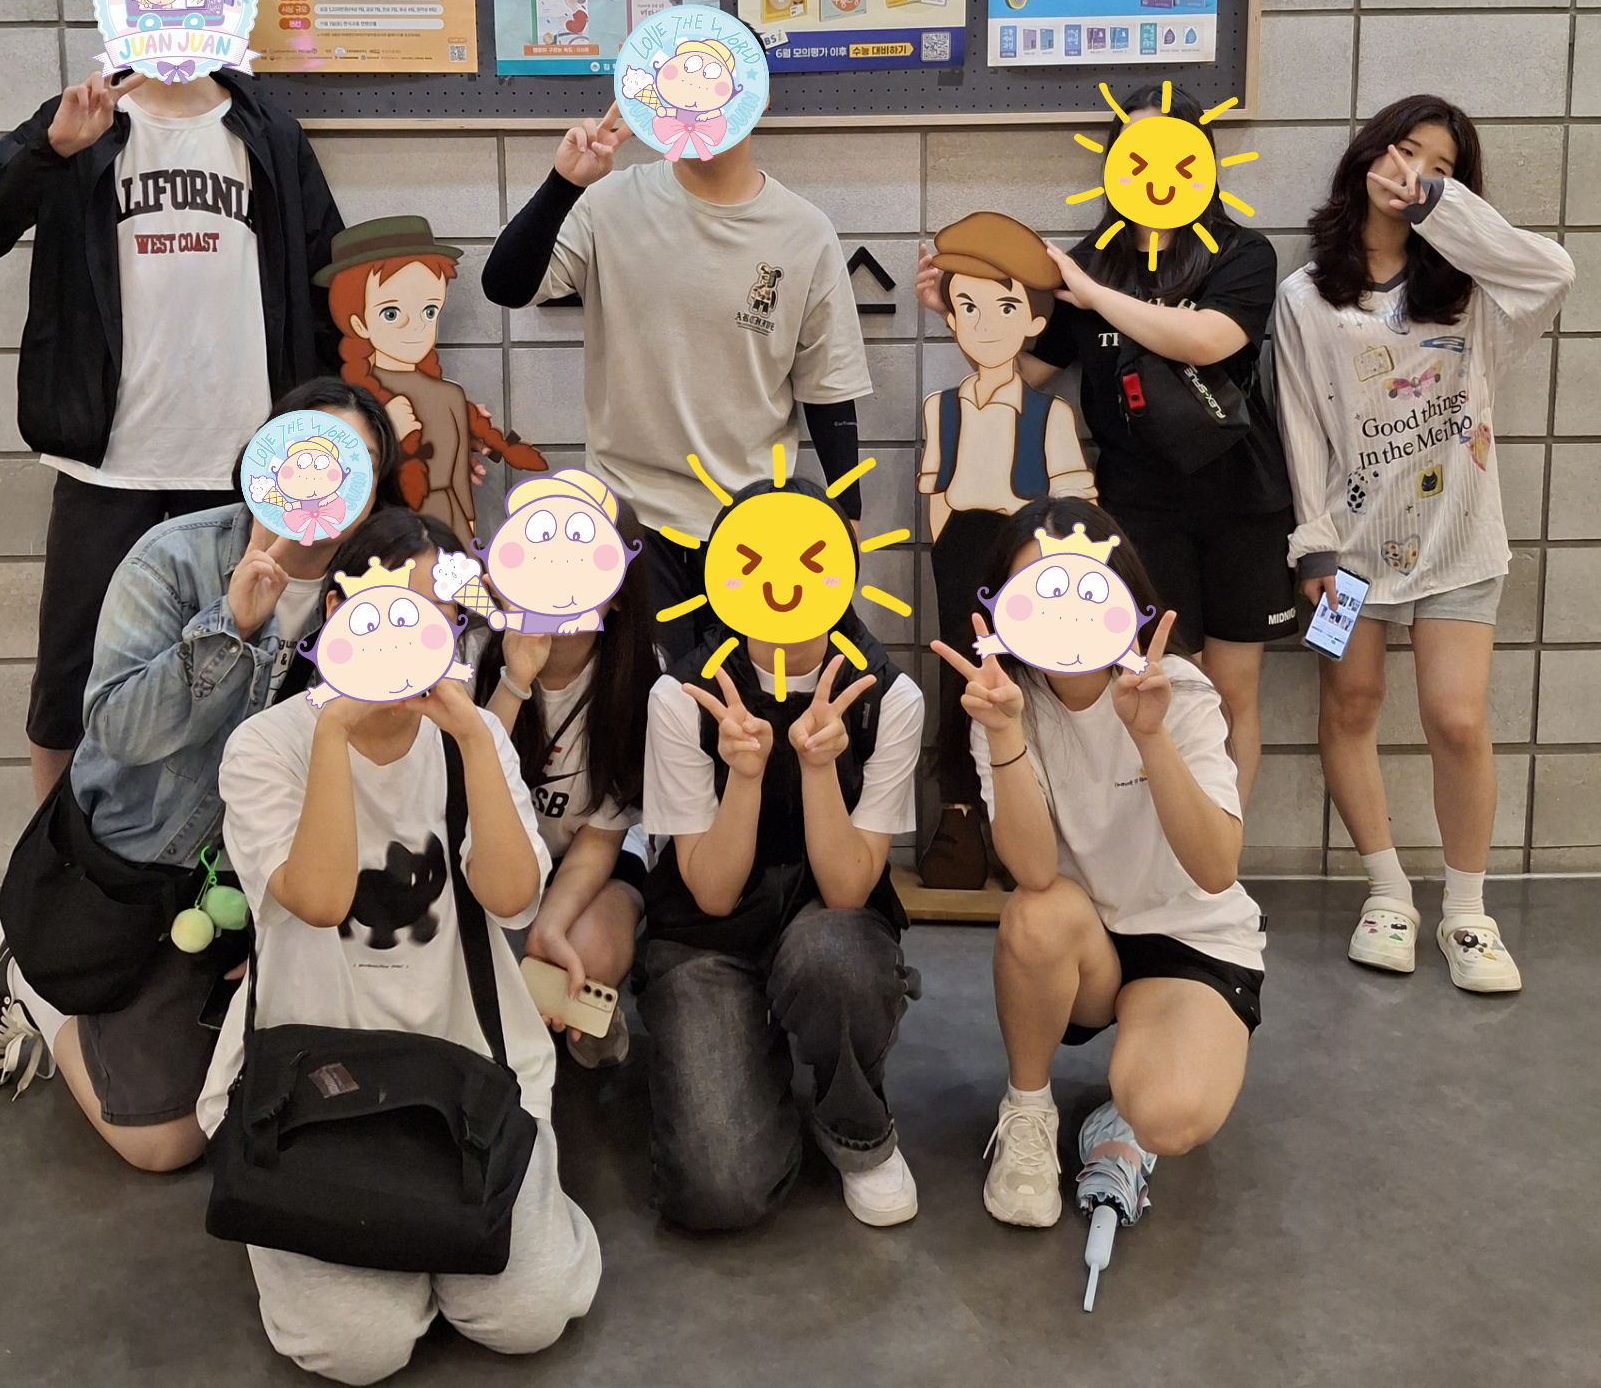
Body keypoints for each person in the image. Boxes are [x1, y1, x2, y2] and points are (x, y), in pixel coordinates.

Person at [0, 0, 345, 800]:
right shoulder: (84, 120)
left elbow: (327, 287)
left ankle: (216, 856)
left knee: (236, 668)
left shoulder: (267, 133)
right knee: (68, 682)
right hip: (106, 460)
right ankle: (47, 862)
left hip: (241, 463)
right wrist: (47, 149)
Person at [0, 382, 397, 1173]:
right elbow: (116, 728)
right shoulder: (175, 556)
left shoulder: (374, 593)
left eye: (354, 461)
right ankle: (30, 981)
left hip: (249, 884)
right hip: (132, 864)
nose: (324, 475)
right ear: (266, 456)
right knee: (163, 1144)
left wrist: (281, 925)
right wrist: (233, 626)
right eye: (309, 449)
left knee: (261, 1103)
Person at [196, 531, 598, 1382]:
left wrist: (478, 741)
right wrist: (334, 729)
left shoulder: (473, 736)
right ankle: (382, 1263)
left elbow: (513, 898)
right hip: (310, 1078)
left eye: (439, 616)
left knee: (527, 1315)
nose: (413, 636)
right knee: (357, 1347)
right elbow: (320, 897)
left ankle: (458, 1245)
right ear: (336, 611)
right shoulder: (265, 746)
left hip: (468, 1065)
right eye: (391, 611)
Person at [921, 84, 1296, 806]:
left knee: (1232, 691)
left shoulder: (1241, 253)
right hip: (1138, 505)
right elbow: (1025, 372)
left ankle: (1220, 846)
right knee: (1161, 681)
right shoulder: (1085, 264)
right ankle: (1162, 847)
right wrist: (960, 313)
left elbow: (1208, 339)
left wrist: (1095, 297)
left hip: (1241, 499)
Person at [1275, 96, 1573, 992]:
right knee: (1350, 706)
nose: (1414, 173)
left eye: (1439, 166)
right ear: (1368, 152)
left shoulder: (1474, 291)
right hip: (1348, 551)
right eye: (1404, 151)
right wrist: (1313, 547)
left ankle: (1468, 910)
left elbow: (1554, 271)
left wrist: (1444, 212)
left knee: (1457, 719)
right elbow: (1301, 425)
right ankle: (1388, 892)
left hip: (1460, 540)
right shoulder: (1305, 294)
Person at [934, 497, 1264, 1234]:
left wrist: (1151, 737)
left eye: (1082, 587)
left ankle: (1124, 1110)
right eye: (1038, 590)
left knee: (1165, 1114)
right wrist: (1005, 733)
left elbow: (1216, 868)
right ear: (1003, 607)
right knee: (1035, 915)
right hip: (1085, 938)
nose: (1064, 613)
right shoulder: (1005, 699)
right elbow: (1032, 870)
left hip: (1189, 938)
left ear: (1122, 592)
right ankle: (1027, 1110)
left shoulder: (1179, 690)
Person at [479, 102, 872, 659]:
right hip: (630, 518)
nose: (698, 104)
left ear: (756, 96)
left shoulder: (805, 231)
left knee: (742, 702)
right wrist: (565, 184)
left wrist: (847, 513)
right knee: (642, 697)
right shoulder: (609, 201)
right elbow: (504, 286)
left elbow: (828, 388)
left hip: (755, 524)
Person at [637, 478, 923, 1232]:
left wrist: (820, 767)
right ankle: (747, 1046)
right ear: (720, 572)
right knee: (719, 1191)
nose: (782, 581)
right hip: (705, 938)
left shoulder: (888, 697)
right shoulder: (681, 697)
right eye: (754, 560)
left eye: (810, 559)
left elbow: (849, 888)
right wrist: (745, 775)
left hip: (828, 921)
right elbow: (711, 893)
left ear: (844, 569)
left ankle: (856, 1126)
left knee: (837, 959)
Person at [916, 211, 1096, 889]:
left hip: (1028, 546)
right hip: (958, 546)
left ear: (1036, 320)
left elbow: (1075, 495)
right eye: (967, 307)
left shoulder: (1052, 415)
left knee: (1029, 675)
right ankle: (960, 813)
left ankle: (1023, 818)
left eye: (1004, 308)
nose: (984, 324)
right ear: (951, 318)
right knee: (959, 673)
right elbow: (935, 485)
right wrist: (943, 541)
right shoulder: (941, 408)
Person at [473, 493, 658, 1068]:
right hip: (493, 854)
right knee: (494, 979)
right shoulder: (470, 653)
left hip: (596, 856)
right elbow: (464, 790)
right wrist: (515, 681)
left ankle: (587, 1005)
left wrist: (549, 926)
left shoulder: (639, 674)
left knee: (581, 956)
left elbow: (602, 835)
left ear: (618, 594)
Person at [319, 213, 547, 544]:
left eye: (429, 312)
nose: (416, 327)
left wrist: (469, 535)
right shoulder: (347, 405)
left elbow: (458, 479)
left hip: (447, 525)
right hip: (381, 535)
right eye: (392, 314)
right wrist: (383, 434)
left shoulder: (449, 396)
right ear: (358, 322)